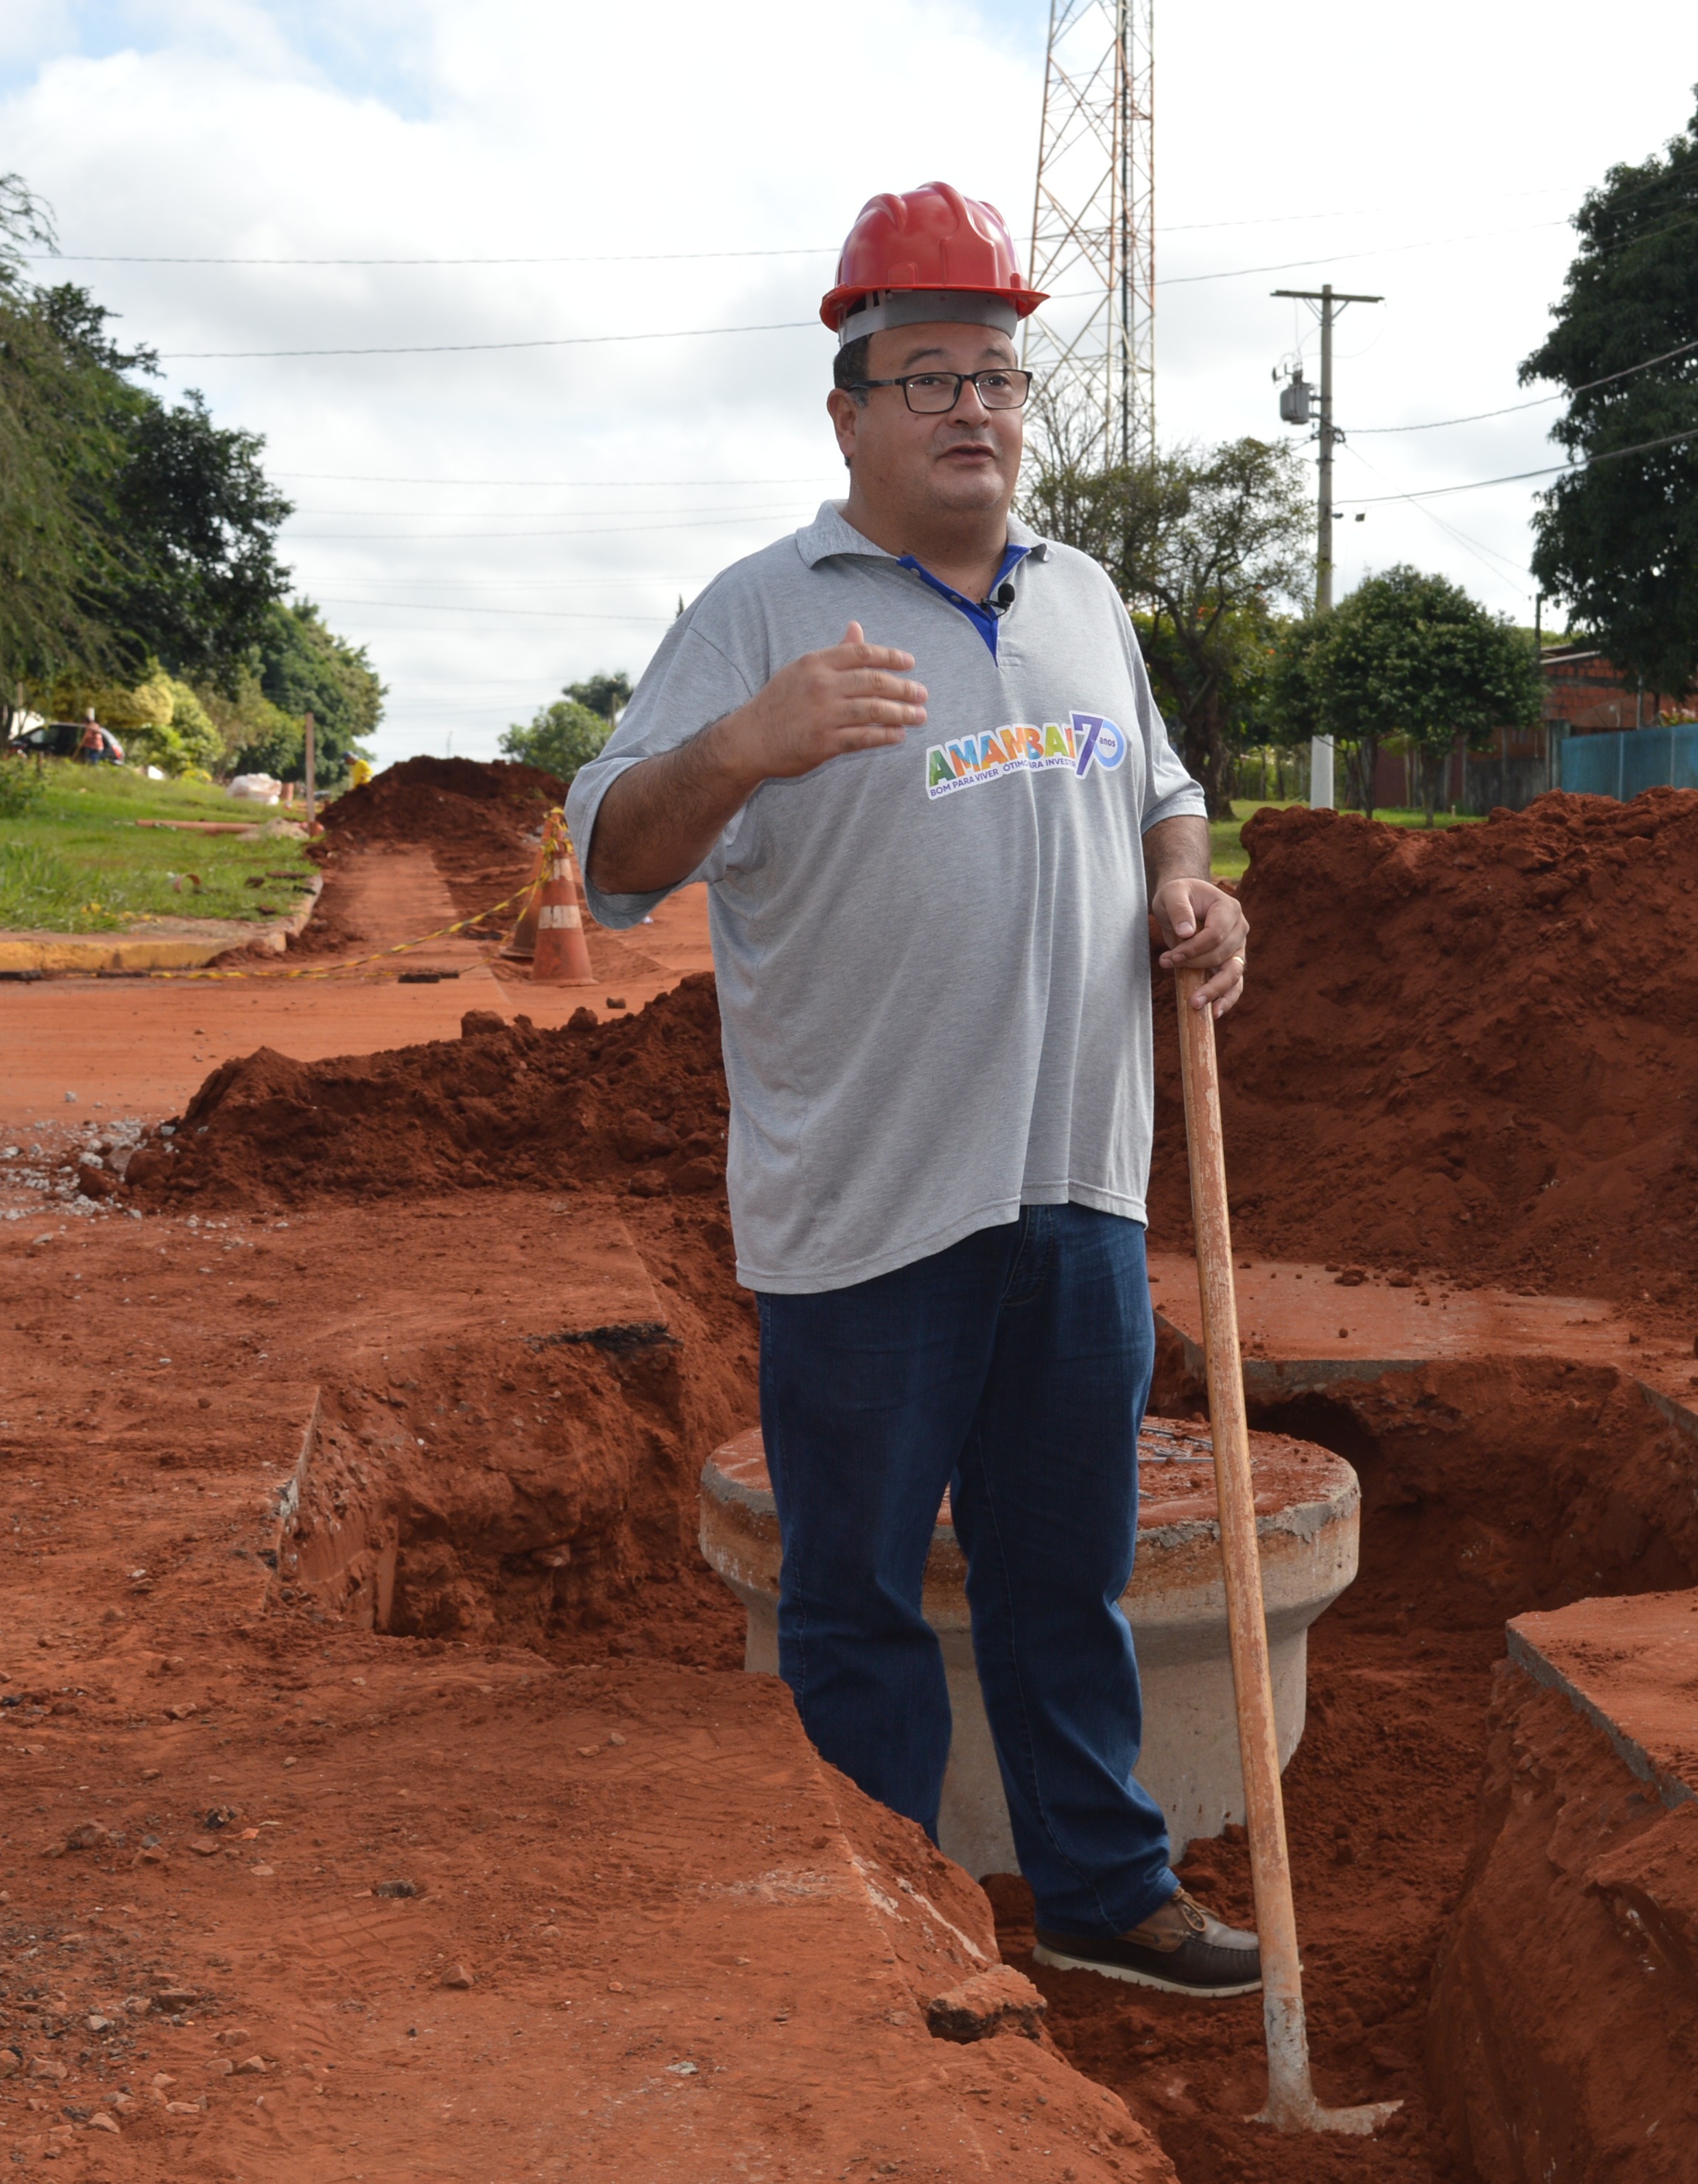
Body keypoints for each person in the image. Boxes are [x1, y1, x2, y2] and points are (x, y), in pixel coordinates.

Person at [570, 183, 1257, 1998]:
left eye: (1001, 377)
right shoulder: (761, 613)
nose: (974, 407)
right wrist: (747, 744)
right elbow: (613, 855)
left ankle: (1102, 1894)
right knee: (860, 1599)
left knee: (1067, 1579)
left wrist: (1192, 889)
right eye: (930, 374)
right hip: (869, 1213)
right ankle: (889, 1939)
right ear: (850, 413)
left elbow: (1166, 792)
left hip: (1078, 1190)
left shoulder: (1085, 599)